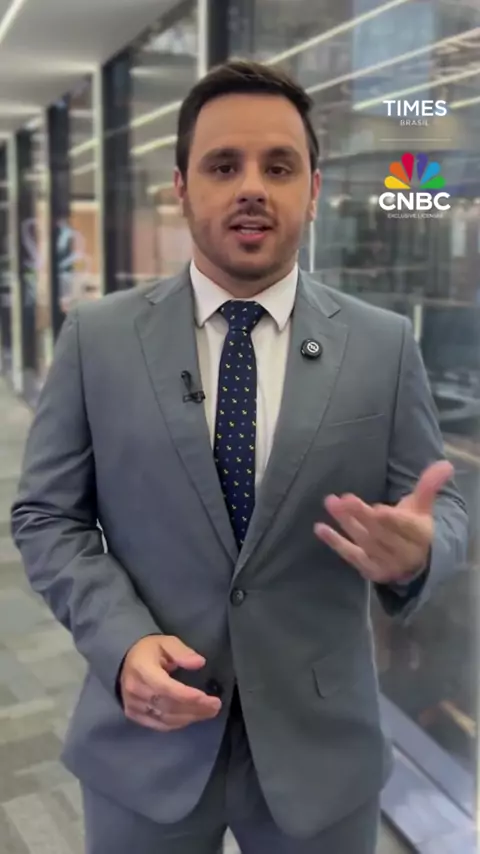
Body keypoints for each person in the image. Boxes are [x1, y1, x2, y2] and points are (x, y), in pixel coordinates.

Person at [11, 60, 468, 854]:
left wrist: (420, 553)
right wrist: (120, 642)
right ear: (181, 188)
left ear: (314, 191)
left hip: (321, 748)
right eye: (224, 166)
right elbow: (47, 517)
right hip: (146, 736)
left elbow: (446, 508)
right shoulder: (98, 339)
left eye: (278, 167)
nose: (252, 187)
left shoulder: (383, 346)